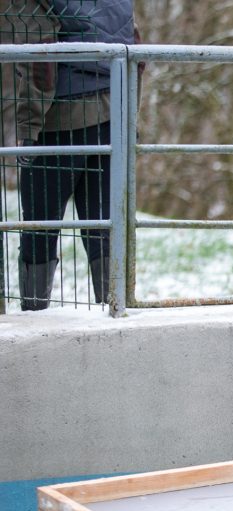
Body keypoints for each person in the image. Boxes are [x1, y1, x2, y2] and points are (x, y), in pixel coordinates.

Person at [6, 0, 139, 310]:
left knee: (39, 227)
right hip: (113, 118)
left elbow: (39, 63)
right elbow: (136, 51)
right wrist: (130, 117)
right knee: (105, 226)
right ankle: (114, 309)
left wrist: (28, 130)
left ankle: (35, 313)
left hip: (58, 123)